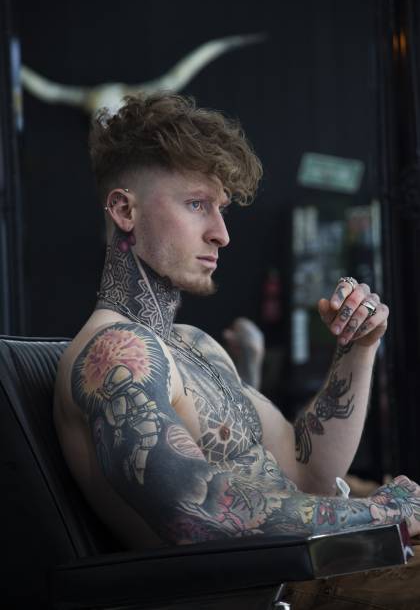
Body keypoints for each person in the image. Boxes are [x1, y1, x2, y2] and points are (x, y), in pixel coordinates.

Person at [54, 92, 420, 608]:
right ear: (124, 209)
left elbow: (311, 473)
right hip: (274, 591)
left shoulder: (195, 346)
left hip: (322, 570)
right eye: (196, 204)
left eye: (221, 209)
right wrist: (383, 513)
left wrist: (358, 350)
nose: (222, 234)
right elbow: (196, 513)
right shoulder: (115, 352)